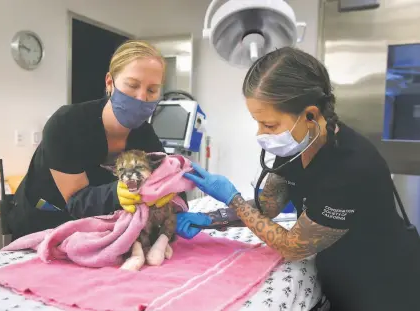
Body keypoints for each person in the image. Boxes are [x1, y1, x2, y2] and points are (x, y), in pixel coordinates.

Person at [179, 47, 420, 311]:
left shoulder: (350, 167)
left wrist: (234, 199)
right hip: (338, 279)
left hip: (383, 289)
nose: (261, 134)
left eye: (269, 125)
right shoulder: (297, 145)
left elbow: (294, 246)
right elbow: (269, 205)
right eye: (258, 123)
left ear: (310, 115)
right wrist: (213, 218)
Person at [8, 40, 211, 240]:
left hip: (96, 229)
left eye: (151, 90)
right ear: (109, 83)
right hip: (43, 223)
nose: (141, 97)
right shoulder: (67, 124)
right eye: (132, 85)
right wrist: (117, 194)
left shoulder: (144, 134)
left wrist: (177, 209)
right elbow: (76, 201)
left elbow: (165, 175)